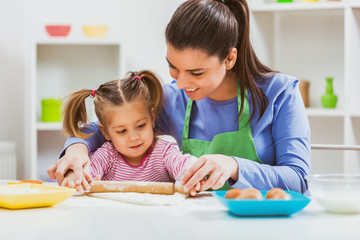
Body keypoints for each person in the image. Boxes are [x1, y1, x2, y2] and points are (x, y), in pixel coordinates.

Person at [48, 0, 310, 194]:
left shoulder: (280, 94)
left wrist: (232, 165)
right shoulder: (171, 98)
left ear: (229, 58)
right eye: (173, 67)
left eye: (196, 72)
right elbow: (103, 126)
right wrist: (76, 149)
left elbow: (298, 179)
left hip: (264, 225)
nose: (181, 82)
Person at [60, 70, 198, 194]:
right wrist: (75, 176)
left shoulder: (163, 152)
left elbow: (183, 165)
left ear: (152, 118)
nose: (133, 137)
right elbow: (86, 173)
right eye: (122, 131)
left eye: (140, 126)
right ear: (105, 132)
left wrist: (194, 173)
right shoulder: (108, 155)